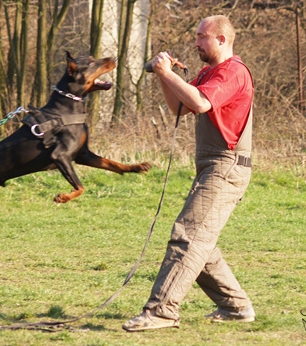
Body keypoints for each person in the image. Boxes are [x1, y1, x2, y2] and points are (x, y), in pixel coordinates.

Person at [123, 15, 255, 332]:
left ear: (222, 39)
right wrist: (163, 76)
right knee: (201, 242)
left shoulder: (233, 72)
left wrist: (167, 71)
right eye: (196, 36)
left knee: (188, 236)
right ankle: (236, 307)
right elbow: (179, 107)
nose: (196, 42)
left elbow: (199, 103)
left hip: (227, 167)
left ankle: (162, 311)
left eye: (202, 37)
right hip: (213, 165)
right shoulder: (208, 72)